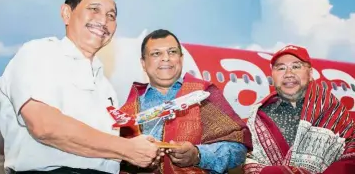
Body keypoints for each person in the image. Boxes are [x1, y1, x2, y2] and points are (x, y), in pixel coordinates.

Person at [0, 0, 159, 173]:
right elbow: (44, 125)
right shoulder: (40, 52)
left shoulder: (105, 87)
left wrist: (141, 152)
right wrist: (126, 149)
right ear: (66, 13)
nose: (103, 21)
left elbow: (97, 148)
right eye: (94, 9)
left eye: (111, 15)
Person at [119, 29, 252, 174]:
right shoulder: (129, 108)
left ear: (181, 59)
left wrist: (198, 155)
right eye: (156, 53)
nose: (166, 58)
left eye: (172, 52)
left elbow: (238, 149)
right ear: (143, 63)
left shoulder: (203, 94)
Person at [243, 45, 355, 174]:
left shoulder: (333, 113)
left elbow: (350, 159)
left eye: (296, 66)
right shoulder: (257, 118)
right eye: (281, 68)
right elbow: (247, 161)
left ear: (310, 73)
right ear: (272, 76)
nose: (288, 74)